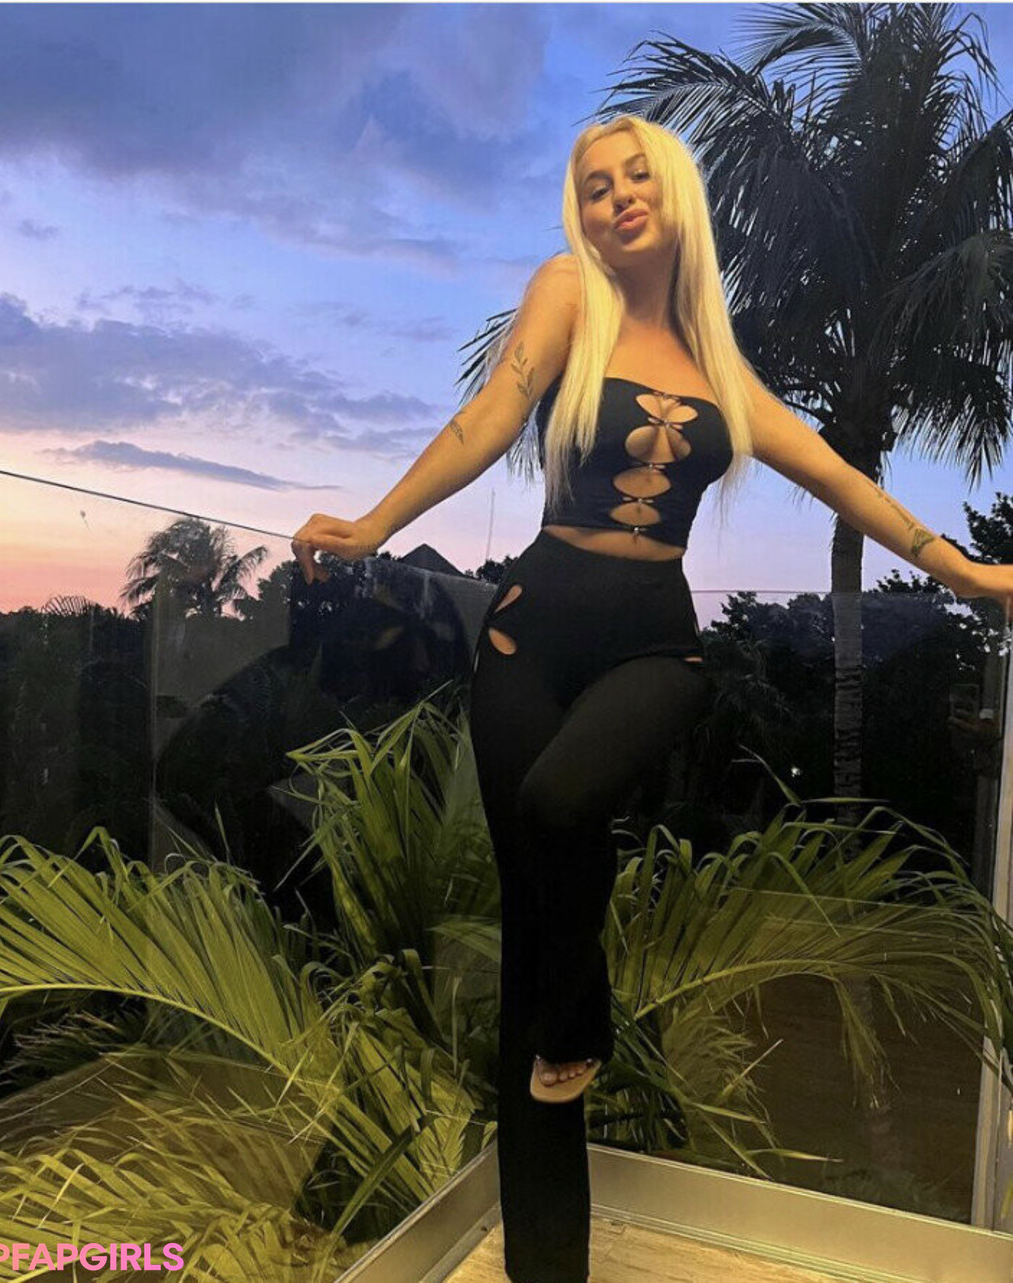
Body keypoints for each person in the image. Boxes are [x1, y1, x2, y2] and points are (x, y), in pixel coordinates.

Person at [291, 115, 1011, 1283]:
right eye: (594, 185)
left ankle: (585, 1021)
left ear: (675, 196)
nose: (617, 196)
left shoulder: (722, 367)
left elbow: (842, 480)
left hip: (654, 649)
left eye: (637, 177)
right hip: (525, 638)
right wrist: (377, 522)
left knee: (561, 805)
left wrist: (968, 573)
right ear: (579, 212)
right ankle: (550, 1261)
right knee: (533, 956)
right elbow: (490, 416)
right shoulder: (566, 296)